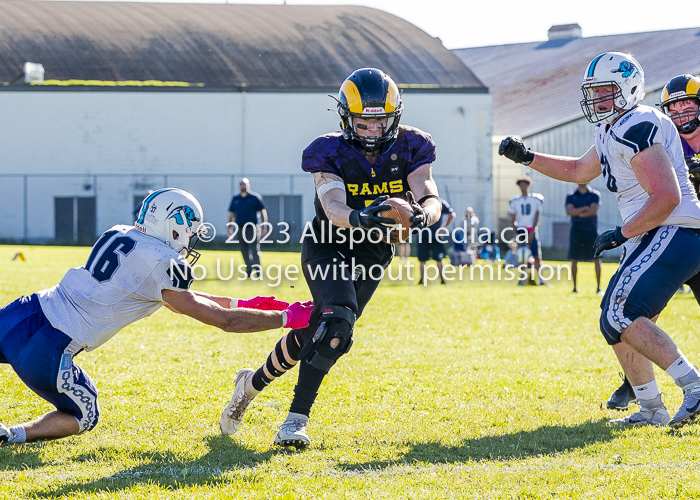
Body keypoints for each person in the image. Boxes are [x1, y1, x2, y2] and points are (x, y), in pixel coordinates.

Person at [218, 68, 442, 448]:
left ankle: (251, 384)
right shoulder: (328, 149)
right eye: (363, 121)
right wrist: (360, 216)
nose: (372, 130)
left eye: (380, 121)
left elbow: (429, 194)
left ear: (395, 117)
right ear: (346, 118)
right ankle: (295, 421)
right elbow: (333, 204)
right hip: (328, 243)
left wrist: (423, 214)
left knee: (319, 331)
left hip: (373, 253)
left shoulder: (412, 145)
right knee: (337, 326)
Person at [0, 188, 312, 446]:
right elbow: (223, 320)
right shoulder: (165, 261)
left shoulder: (119, 233)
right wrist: (284, 318)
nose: (191, 239)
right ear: (175, 223)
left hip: (28, 309)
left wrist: (241, 301)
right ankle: (12, 434)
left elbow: (177, 300)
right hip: (52, 345)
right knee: (86, 414)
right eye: (191, 230)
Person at [499, 52, 700, 428]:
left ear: (630, 88)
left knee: (622, 312)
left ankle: (693, 384)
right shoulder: (612, 127)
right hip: (659, 230)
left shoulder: (637, 122)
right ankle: (651, 408)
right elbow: (579, 169)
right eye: (593, 92)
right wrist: (527, 157)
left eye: (606, 91)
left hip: (673, 227)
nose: (598, 100)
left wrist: (620, 233)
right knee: (613, 322)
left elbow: (667, 196)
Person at [606, 74, 700, 411]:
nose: (681, 113)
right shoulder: (668, 140)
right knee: (641, 311)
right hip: (676, 233)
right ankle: (633, 383)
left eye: (688, 105)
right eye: (674, 107)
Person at [565, 183, 602, 294]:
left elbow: (593, 211)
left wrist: (577, 211)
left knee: (597, 259)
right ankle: (575, 288)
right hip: (576, 231)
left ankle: (598, 288)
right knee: (574, 259)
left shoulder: (595, 194)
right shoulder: (571, 195)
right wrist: (585, 208)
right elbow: (569, 212)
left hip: (592, 231)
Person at [227, 178, 268, 278]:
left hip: (252, 228)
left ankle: (258, 272)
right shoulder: (236, 199)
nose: (242, 186)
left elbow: (263, 212)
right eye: (241, 184)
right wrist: (230, 228)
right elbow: (231, 214)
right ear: (239, 186)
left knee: (254, 249)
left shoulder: (254, 198)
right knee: (243, 250)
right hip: (240, 228)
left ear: (248, 185)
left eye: (244, 184)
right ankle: (249, 271)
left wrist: (264, 226)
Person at [508, 176, 546, 285]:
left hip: (531, 229)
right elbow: (513, 218)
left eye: (525, 185)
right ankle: (522, 279)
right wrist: (516, 234)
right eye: (521, 185)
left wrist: (532, 231)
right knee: (521, 256)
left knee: (536, 256)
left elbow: (537, 215)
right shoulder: (515, 200)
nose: (523, 187)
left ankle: (541, 279)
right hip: (521, 229)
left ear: (528, 186)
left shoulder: (535, 199)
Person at [417, 200, 455, 284]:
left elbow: (451, 215)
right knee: (422, 259)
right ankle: (422, 280)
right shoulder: (420, 201)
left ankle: (442, 279)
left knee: (438, 258)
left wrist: (443, 228)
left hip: (435, 235)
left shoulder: (440, 202)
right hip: (423, 234)